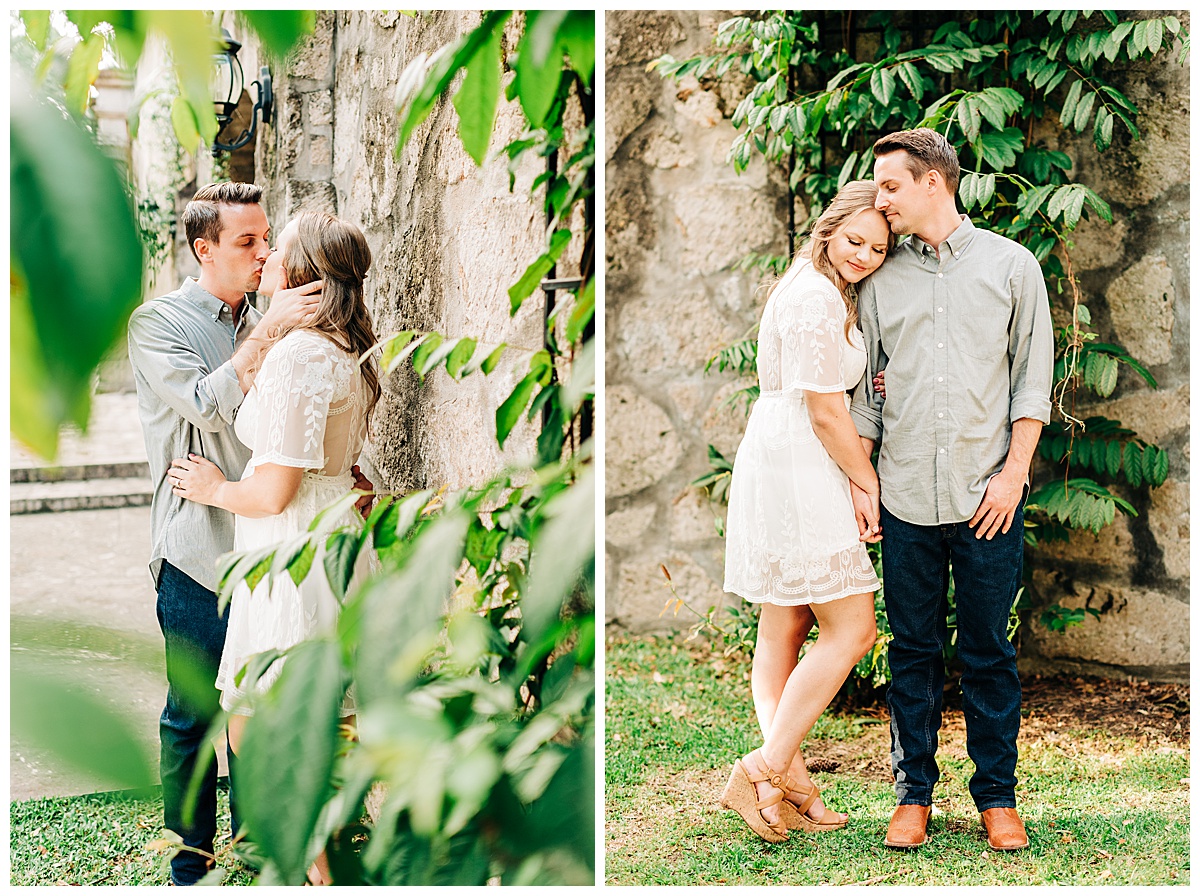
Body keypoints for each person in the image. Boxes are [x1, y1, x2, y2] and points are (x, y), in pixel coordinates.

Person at [128, 182, 356, 885]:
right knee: (195, 720)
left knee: (265, 715)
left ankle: (265, 851)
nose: (262, 254)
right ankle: (193, 865)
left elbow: (304, 414)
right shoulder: (158, 324)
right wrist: (269, 334)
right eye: (246, 242)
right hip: (201, 549)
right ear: (205, 249)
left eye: (267, 239)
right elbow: (203, 403)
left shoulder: (279, 316)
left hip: (278, 552)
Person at [849, 128, 1053, 851]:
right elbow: (867, 396)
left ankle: (998, 799)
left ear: (933, 181)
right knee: (912, 649)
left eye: (892, 186)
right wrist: (864, 484)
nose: (881, 200)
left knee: (990, 651)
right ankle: (914, 798)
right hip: (903, 495)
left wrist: (1012, 475)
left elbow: (1032, 385)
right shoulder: (880, 279)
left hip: (986, 498)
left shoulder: (1012, 266)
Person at [720, 180, 893, 842]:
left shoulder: (803, 282)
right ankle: (763, 769)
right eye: (855, 240)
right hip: (803, 458)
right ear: (827, 230)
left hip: (780, 450)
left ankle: (790, 781)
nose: (866, 256)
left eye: (879, 248)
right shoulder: (818, 300)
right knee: (852, 628)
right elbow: (825, 407)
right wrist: (865, 481)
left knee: (784, 624)